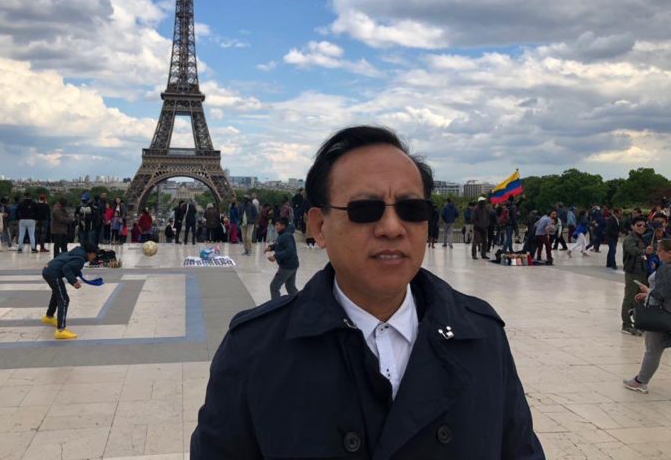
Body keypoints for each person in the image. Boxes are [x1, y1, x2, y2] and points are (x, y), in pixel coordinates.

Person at [191, 125, 544, 459]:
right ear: (319, 226)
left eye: (411, 209)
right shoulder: (252, 350)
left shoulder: (484, 336)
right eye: (365, 210)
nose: (392, 227)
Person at [623, 238, 671, 394]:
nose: (657, 253)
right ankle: (640, 380)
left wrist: (647, 293)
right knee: (655, 349)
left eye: (660, 251)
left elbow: (663, 293)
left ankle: (640, 381)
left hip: (661, 313)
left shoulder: (667, 269)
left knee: (653, 349)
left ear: (668, 253)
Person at [40, 242, 98, 340]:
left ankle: (48, 317)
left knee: (57, 293)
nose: (95, 257)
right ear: (90, 253)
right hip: (53, 274)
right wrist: (74, 282)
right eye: (94, 254)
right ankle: (60, 330)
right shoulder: (80, 259)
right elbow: (66, 268)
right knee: (64, 299)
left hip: (48, 269)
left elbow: (62, 257)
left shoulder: (78, 252)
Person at [621, 216, 650, 336]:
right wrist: (645, 251)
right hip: (633, 272)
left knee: (641, 299)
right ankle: (626, 324)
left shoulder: (643, 238)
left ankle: (638, 323)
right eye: (639, 225)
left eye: (643, 225)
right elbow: (633, 251)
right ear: (632, 226)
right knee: (629, 298)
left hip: (643, 272)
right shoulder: (629, 239)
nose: (642, 227)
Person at [264, 217, 299, 299]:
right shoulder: (284, 234)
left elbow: (290, 251)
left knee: (274, 287)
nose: (275, 227)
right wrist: (271, 247)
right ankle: (300, 303)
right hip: (292, 265)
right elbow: (279, 244)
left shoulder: (286, 236)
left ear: (283, 226)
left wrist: (275, 256)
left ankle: (276, 307)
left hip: (287, 266)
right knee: (291, 288)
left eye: (277, 225)